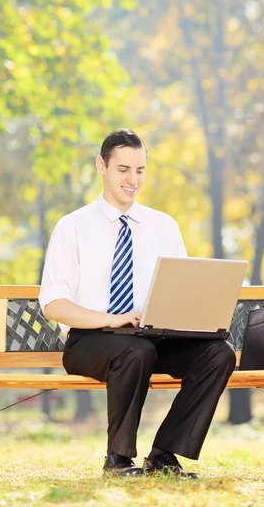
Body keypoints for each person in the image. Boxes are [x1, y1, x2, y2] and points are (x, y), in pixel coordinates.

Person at [39, 129, 236, 478]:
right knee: (135, 352)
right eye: (123, 169)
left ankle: (164, 453)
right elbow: (53, 304)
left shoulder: (164, 226)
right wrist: (110, 318)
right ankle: (118, 460)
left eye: (140, 170)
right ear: (102, 166)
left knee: (219, 353)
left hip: (153, 338)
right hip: (91, 340)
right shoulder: (73, 227)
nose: (133, 180)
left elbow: (184, 289)